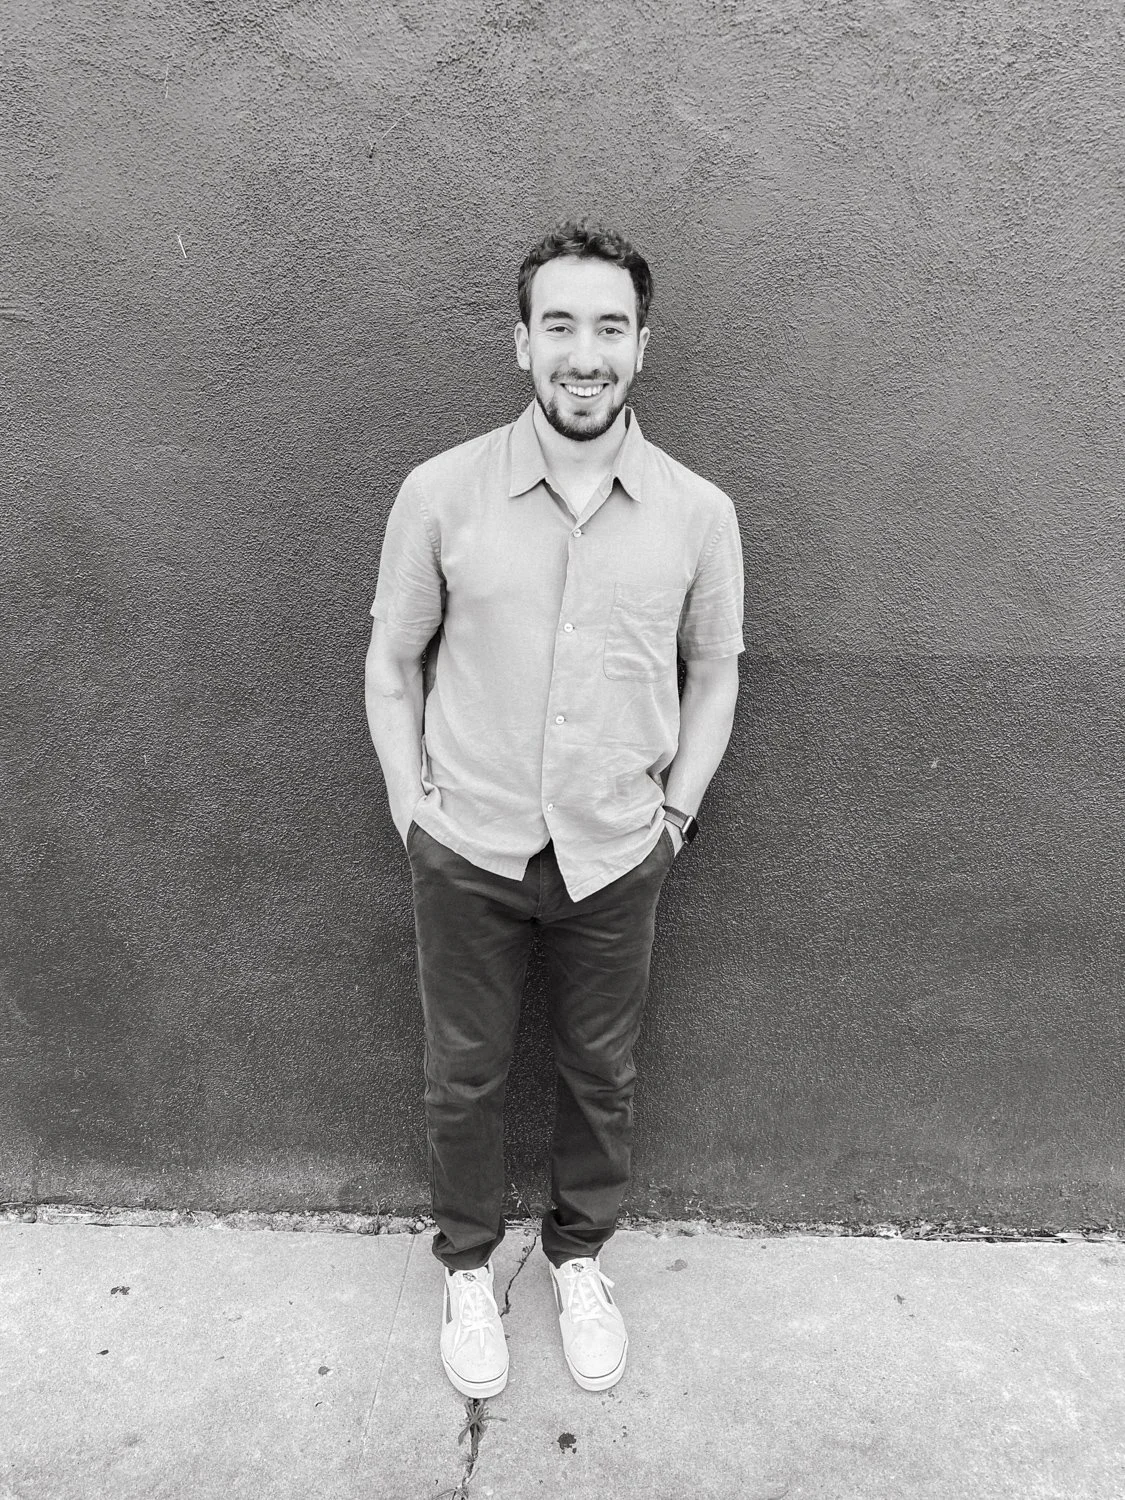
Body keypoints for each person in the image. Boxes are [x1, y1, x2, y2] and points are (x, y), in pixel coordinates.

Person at [364, 220, 744, 1399]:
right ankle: (469, 1268)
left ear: (645, 345)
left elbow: (716, 670)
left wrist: (674, 818)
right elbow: (393, 663)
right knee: (462, 1076)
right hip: (466, 845)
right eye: (562, 327)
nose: (587, 354)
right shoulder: (439, 492)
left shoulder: (697, 513)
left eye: (611, 328)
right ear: (520, 342)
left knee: (603, 1076)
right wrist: (410, 816)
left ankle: (579, 1259)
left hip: (619, 853)